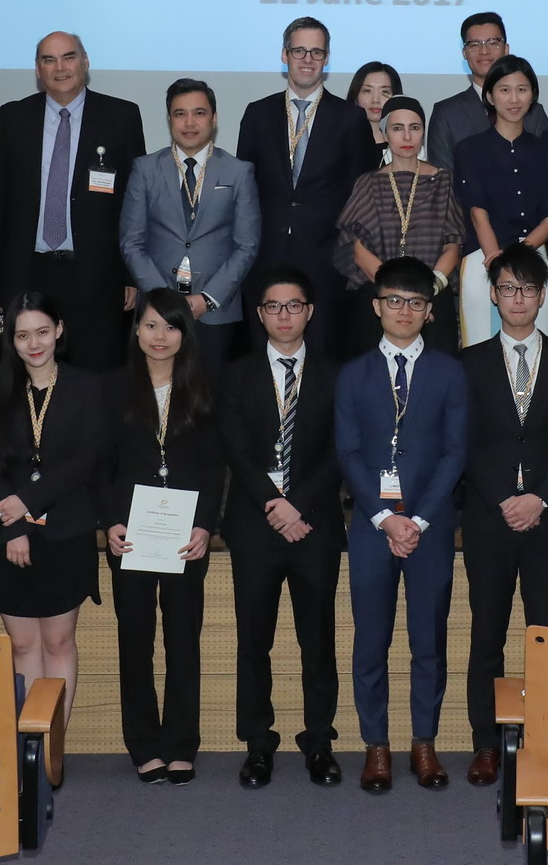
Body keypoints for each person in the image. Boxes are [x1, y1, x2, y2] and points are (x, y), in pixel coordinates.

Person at [335, 257, 468, 793]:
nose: (404, 311)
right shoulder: (353, 374)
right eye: (394, 301)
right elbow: (348, 452)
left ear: (429, 311)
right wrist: (386, 518)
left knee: (428, 641)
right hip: (372, 528)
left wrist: (418, 519)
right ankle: (376, 746)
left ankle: (424, 744)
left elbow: (455, 452)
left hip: (429, 528)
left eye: (415, 302)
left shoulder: (450, 372)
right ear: (377, 307)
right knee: (371, 641)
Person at [456, 244, 548, 786]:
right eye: (508, 289)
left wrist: (540, 498)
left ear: (542, 296)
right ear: (493, 295)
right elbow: (463, 444)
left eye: (528, 289)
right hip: (489, 518)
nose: (518, 299)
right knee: (487, 633)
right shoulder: (469, 362)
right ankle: (486, 743)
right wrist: (503, 499)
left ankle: (546, 739)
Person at [221, 268, 345, 788]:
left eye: (294, 305)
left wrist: (298, 507)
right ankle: (258, 744)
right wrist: (275, 505)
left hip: (314, 527)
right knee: (254, 642)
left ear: (309, 312)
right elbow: (236, 449)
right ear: (260, 314)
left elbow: (342, 451)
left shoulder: (338, 374)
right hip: (255, 527)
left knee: (318, 642)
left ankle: (319, 742)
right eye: (273, 306)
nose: (284, 315)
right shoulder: (235, 374)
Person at [103, 290, 224, 785]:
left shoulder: (204, 386)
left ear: (184, 333)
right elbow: (100, 464)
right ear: (136, 329)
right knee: (135, 640)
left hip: (185, 534)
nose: (160, 336)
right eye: (151, 325)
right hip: (130, 533)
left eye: (171, 327)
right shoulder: (112, 387)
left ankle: (180, 744)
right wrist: (110, 521)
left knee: (182, 640)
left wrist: (206, 525)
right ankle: (143, 744)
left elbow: (215, 465)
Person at [0, 294, 105, 725]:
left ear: (59, 330)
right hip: (8, 532)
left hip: (66, 529)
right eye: (22, 336)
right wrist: (14, 526)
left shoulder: (86, 386)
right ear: (10, 340)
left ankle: (52, 748)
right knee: (21, 645)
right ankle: (30, 740)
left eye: (42, 332)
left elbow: (86, 460)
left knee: (58, 642)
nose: (33, 344)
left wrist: (26, 502)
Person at [0, 33, 147, 369]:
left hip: (96, 275)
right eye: (49, 60)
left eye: (69, 57)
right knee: (23, 377)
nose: (60, 67)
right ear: (38, 70)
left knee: (96, 378)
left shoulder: (121, 116)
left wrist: (130, 275)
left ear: (85, 62)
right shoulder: (13, 117)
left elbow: (134, 205)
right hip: (27, 271)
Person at [240, 18, 380, 360]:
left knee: (322, 361)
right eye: (299, 50)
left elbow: (361, 198)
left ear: (326, 58)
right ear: (284, 55)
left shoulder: (350, 118)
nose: (307, 59)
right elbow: (245, 191)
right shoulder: (257, 114)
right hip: (265, 255)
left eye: (316, 52)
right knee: (262, 359)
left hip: (326, 261)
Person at [121, 79, 262, 367]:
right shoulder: (145, 169)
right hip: (156, 312)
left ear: (214, 118)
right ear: (169, 119)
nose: (189, 123)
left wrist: (208, 299)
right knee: (156, 389)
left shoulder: (238, 172)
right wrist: (164, 300)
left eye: (199, 113)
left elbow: (247, 245)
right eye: (180, 113)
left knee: (211, 390)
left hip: (215, 311)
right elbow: (131, 242)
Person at [337, 98, 465, 353]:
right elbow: (358, 250)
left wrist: (422, 296)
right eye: (397, 128)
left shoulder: (443, 180)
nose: (407, 136)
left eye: (415, 128)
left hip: (431, 295)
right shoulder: (368, 183)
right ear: (385, 133)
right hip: (378, 298)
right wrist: (395, 297)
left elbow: (453, 246)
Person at [455, 54, 548, 345]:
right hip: (483, 257)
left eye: (522, 89)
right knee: (479, 347)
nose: (514, 99)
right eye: (504, 90)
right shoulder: (470, 149)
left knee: (537, 345)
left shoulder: (547, 151)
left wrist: (519, 258)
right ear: (490, 96)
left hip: (534, 257)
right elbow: (477, 212)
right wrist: (498, 261)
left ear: (533, 95)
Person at [426, 13, 548, 196]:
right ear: (464, 52)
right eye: (475, 44)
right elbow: (443, 182)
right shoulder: (446, 113)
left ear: (506, 49)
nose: (484, 51)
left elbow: (545, 174)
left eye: (493, 43)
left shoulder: (533, 112)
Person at [347, 62, 403, 141]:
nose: (375, 100)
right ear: (355, 96)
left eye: (385, 92)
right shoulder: (341, 142)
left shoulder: (405, 142)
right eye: (367, 91)